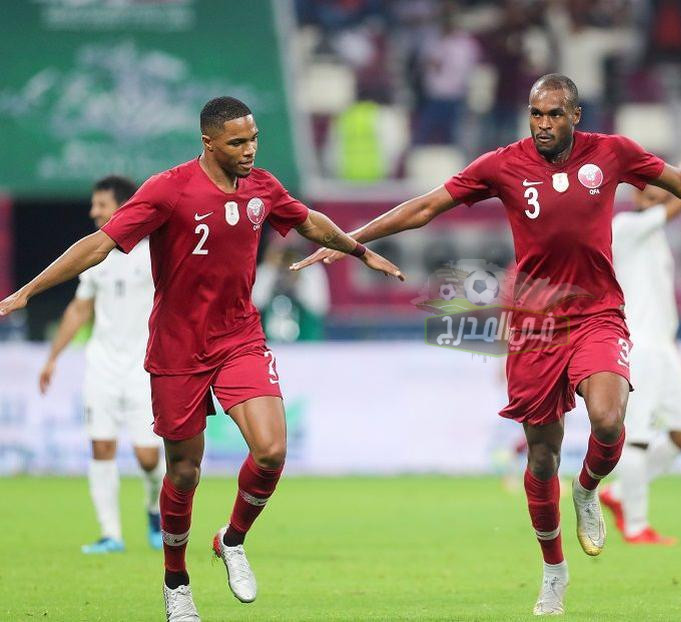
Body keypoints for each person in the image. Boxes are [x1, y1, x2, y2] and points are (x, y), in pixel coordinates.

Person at [291, 73, 681, 615]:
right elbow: (425, 207)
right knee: (540, 455)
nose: (543, 125)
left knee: (608, 419)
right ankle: (554, 571)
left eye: (554, 114)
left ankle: (586, 490)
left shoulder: (611, 153)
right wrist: (350, 241)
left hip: (597, 314)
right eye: (536, 114)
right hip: (534, 326)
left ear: (576, 116)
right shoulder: (504, 164)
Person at [0, 96, 403, 622]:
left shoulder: (263, 187)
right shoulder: (169, 189)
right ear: (208, 142)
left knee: (271, 451)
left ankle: (231, 540)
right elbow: (99, 244)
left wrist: (358, 249)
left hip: (239, 339)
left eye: (253, 138)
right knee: (184, 472)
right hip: (177, 348)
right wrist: (27, 292)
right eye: (237, 142)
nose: (249, 150)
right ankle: (176, 582)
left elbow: (308, 220)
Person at [38, 175, 164, 554]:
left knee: (147, 456)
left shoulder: (153, 255)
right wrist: (53, 357)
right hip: (102, 366)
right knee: (102, 447)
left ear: (123, 208)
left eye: (101, 204)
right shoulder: (96, 258)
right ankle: (111, 534)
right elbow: (80, 308)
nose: (93, 212)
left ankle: (154, 511)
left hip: (144, 368)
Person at [598, 158, 681, 545]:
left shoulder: (652, 232)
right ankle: (637, 526)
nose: (659, 195)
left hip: (663, 345)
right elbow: (679, 204)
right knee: (637, 435)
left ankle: (620, 492)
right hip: (638, 344)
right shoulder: (625, 227)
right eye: (654, 188)